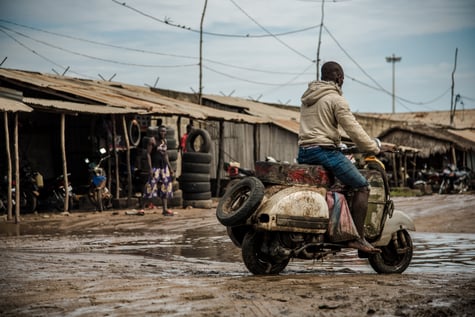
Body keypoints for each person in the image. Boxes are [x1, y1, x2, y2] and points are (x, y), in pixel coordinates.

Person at [297, 61, 381, 253]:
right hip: (325, 152)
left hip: (304, 152)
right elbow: (353, 129)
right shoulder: (336, 99)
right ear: (338, 78)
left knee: (332, 188)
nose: (342, 81)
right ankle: (358, 238)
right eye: (342, 77)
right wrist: (373, 148)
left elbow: (319, 128)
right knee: (361, 186)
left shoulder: (307, 98)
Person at [143, 125, 174, 216]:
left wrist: (170, 168)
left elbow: (165, 155)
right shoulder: (152, 140)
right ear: (158, 132)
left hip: (164, 168)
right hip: (155, 167)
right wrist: (150, 168)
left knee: (166, 187)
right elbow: (148, 154)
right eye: (161, 131)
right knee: (150, 186)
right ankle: (142, 208)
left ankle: (165, 209)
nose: (163, 133)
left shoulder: (165, 141)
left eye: (164, 131)